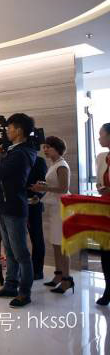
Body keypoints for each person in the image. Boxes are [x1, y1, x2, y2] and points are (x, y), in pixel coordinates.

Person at [0, 113, 38, 308]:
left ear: (19, 130)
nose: (7, 131)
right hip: (4, 205)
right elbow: (1, 175)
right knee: (9, 250)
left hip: (14, 206)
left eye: (10, 128)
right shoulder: (14, 151)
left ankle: (24, 293)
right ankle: (10, 286)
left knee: (21, 253)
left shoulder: (22, 153)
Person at [30, 136, 72, 294]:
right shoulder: (54, 164)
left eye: (48, 147)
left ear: (57, 148)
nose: (45, 150)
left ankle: (67, 279)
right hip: (55, 208)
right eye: (44, 147)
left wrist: (43, 188)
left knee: (62, 245)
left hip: (62, 208)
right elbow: (55, 186)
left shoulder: (61, 165)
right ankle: (58, 275)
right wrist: (43, 187)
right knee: (56, 243)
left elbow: (63, 188)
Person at [95, 123, 110, 305]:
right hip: (105, 210)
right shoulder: (101, 157)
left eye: (101, 134)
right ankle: (108, 289)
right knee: (106, 252)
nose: (99, 138)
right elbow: (100, 181)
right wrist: (100, 187)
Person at [26, 155, 48, 280]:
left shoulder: (39, 161)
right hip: (17, 204)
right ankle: (23, 269)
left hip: (34, 204)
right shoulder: (15, 159)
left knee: (36, 237)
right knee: (18, 240)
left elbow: (43, 183)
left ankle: (37, 271)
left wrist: (37, 197)